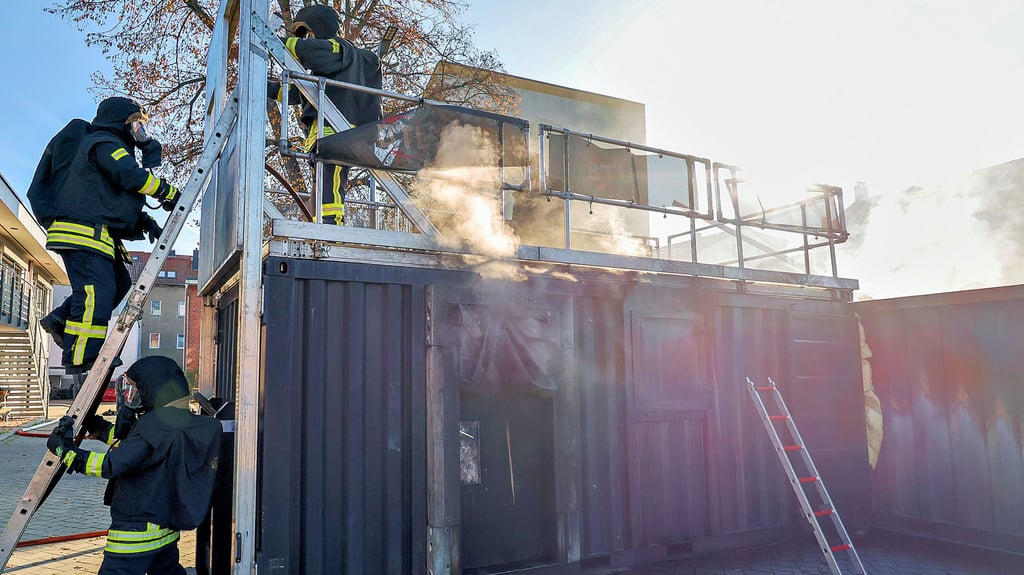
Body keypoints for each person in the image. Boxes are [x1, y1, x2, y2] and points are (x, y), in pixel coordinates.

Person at [28, 97, 179, 374]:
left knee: (120, 284)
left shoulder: (103, 146)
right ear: (120, 122)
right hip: (83, 234)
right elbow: (128, 176)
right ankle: (83, 354)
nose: (139, 134)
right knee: (97, 292)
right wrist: (168, 192)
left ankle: (61, 319)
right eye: (136, 125)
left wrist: (144, 221)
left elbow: (105, 199)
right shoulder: (104, 142)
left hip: (96, 235)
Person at [46, 356, 221, 575]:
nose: (132, 397)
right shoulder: (177, 421)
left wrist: (64, 450)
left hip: (136, 534)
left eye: (137, 389)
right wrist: (94, 424)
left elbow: (109, 465)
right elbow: (133, 443)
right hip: (164, 531)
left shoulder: (155, 426)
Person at [268, 4, 383, 225]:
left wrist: (271, 41)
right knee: (322, 184)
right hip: (330, 133)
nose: (308, 39)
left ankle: (332, 226)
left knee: (331, 181)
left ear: (319, 28)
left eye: (308, 34)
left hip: (338, 132)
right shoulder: (332, 70)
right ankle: (319, 226)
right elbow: (297, 93)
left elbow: (311, 51)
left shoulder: (340, 50)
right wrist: (266, 87)